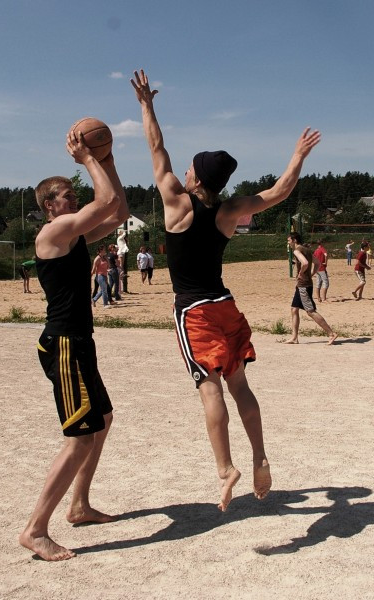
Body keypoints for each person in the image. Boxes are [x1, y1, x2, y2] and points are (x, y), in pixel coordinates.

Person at [131, 68, 320, 511]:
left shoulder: (177, 201)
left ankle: (225, 468)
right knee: (240, 387)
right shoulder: (230, 210)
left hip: (194, 310)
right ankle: (260, 455)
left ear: (194, 175)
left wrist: (146, 105)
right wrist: (298, 155)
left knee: (209, 389)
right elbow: (279, 191)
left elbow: (157, 148)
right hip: (226, 306)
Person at [19, 129, 128, 561]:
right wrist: (87, 158)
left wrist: (109, 158)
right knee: (80, 436)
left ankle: (79, 505)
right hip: (63, 343)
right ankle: (35, 529)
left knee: (102, 418)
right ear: (51, 205)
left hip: (79, 342)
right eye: (67, 194)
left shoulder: (74, 236)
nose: (73, 197)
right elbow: (102, 203)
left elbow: (118, 211)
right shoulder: (54, 233)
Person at [285, 232, 337, 345]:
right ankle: (294, 337)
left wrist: (301, 274)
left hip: (303, 284)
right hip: (303, 284)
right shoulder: (306, 249)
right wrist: (311, 274)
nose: (288, 243)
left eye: (289, 240)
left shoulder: (297, 250)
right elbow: (317, 263)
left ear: (294, 240)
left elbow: (305, 263)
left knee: (310, 311)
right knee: (294, 309)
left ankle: (331, 334)